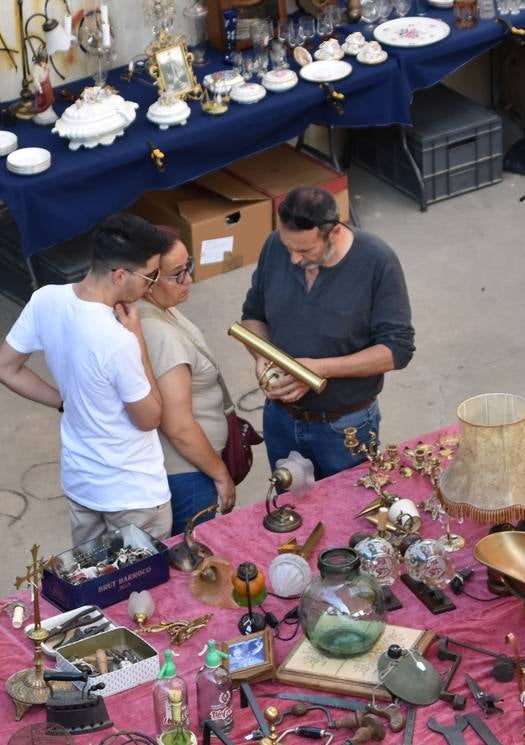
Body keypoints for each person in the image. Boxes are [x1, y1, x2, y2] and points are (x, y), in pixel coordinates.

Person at [0, 212, 172, 545]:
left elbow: (4, 367)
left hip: (81, 484)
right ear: (120, 275)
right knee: (139, 590)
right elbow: (149, 418)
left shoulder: (46, 299)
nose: (152, 284)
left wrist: (64, 400)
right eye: (150, 275)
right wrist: (138, 340)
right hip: (133, 493)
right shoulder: (117, 340)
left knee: (92, 579)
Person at [240, 185, 415, 480]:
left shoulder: (377, 262)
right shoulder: (275, 246)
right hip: (280, 419)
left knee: (350, 514)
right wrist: (263, 357)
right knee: (287, 513)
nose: (293, 259)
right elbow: (253, 315)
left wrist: (318, 370)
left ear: (333, 232)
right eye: (288, 247)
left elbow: (397, 349)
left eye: (305, 250)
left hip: (345, 426)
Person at [137, 232, 236, 536]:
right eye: (177, 274)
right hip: (189, 474)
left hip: (189, 467)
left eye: (188, 266)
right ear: (148, 279)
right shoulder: (160, 335)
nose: (188, 278)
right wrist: (221, 475)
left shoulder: (155, 308)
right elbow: (178, 427)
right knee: (197, 569)